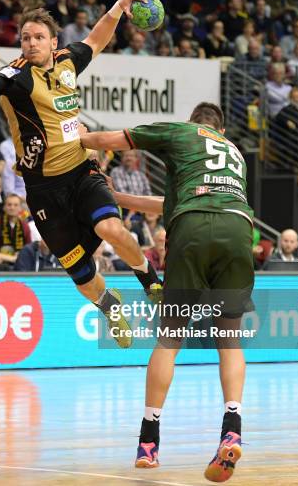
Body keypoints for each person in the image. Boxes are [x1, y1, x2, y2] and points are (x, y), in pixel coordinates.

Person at [0, 0, 162, 348]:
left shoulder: (68, 61)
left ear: (54, 43)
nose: (31, 43)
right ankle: (108, 305)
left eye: (38, 37)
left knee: (111, 227)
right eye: (25, 38)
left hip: (82, 170)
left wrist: (116, 8)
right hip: (42, 189)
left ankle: (150, 280)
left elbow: (96, 40)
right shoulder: (17, 75)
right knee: (80, 272)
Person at [80, 102, 254, 481]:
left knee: (169, 340)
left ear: (195, 124)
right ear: (220, 128)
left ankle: (148, 442)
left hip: (193, 230)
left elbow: (115, 139)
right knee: (230, 340)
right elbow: (175, 201)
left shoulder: (182, 133)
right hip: (239, 229)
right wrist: (123, 200)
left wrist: (72, 141)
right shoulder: (235, 154)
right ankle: (232, 429)